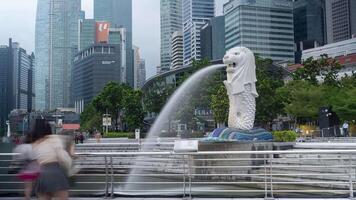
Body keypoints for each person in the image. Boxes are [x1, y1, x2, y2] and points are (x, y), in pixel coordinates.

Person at [31, 119, 72, 200]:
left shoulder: (34, 144)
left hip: (42, 176)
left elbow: (35, 162)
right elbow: (63, 156)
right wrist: (70, 168)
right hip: (56, 173)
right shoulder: (53, 139)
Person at [13, 134, 37, 200]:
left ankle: (27, 196)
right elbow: (33, 157)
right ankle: (28, 197)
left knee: (28, 186)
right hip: (33, 170)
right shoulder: (31, 146)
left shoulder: (18, 147)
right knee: (32, 186)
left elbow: (15, 158)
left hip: (23, 170)